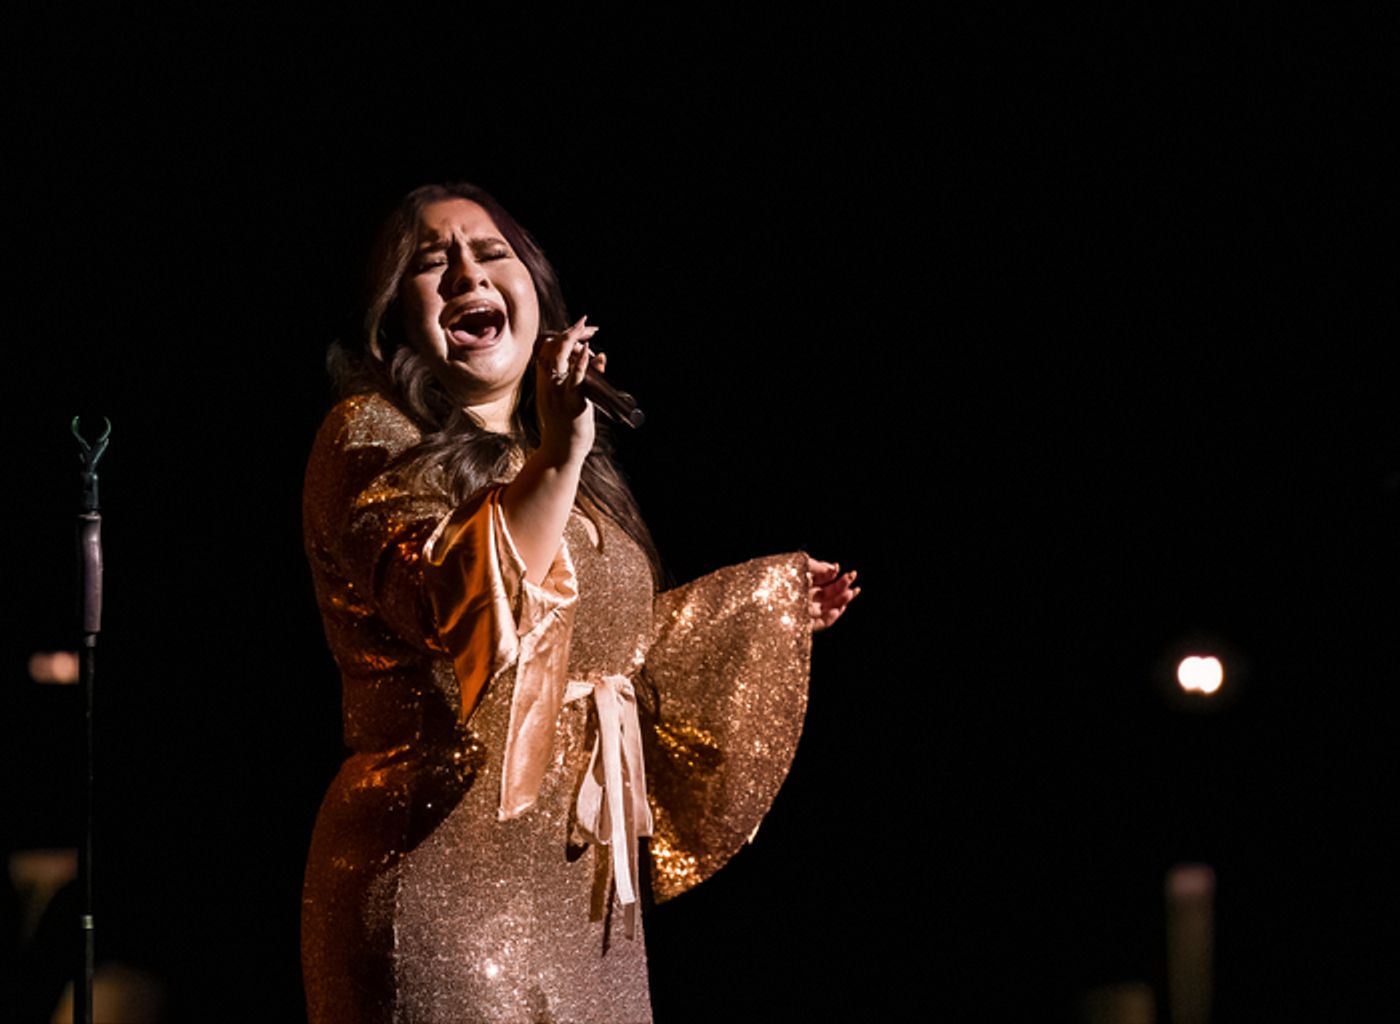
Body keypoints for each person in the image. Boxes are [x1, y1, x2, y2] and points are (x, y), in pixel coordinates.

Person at [301, 182, 858, 1023]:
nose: (467, 273)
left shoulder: (564, 463)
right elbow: (455, 607)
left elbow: (607, 652)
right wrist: (558, 457)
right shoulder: (372, 436)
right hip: (439, 886)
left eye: (492, 254)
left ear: (536, 293)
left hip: (585, 899)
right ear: (394, 316)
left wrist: (758, 608)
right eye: (431, 262)